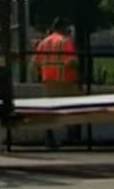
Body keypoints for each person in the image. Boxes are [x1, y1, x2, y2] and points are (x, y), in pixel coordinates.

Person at [32, 18, 80, 149]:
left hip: (48, 80)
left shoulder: (44, 43)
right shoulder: (65, 41)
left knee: (50, 110)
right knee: (72, 107)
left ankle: (50, 137)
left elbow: (35, 63)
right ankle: (72, 136)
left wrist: (43, 73)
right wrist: (78, 71)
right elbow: (71, 62)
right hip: (64, 80)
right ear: (62, 28)